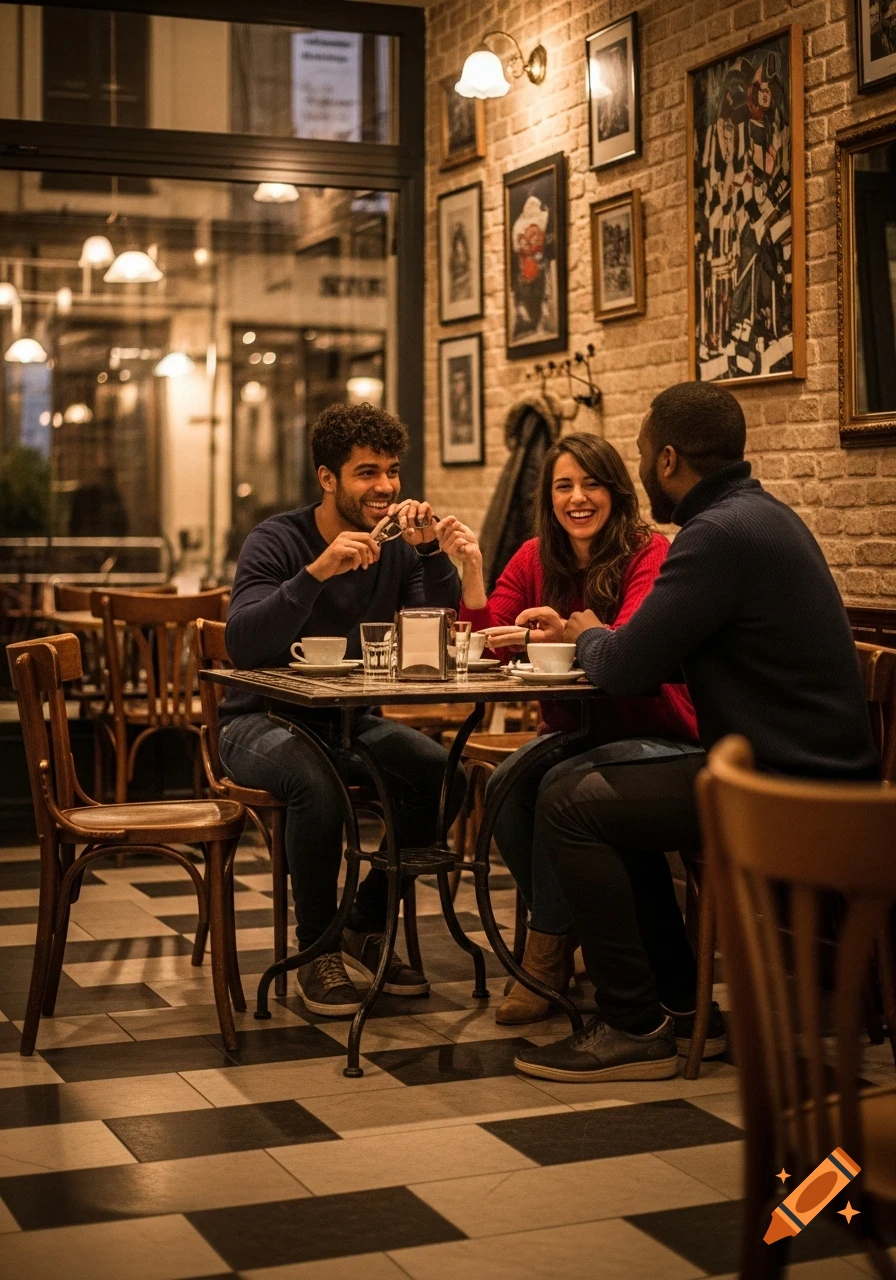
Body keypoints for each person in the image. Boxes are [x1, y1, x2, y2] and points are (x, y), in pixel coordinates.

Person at [505, 381, 877, 1084]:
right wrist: (611, 643)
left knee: (568, 798)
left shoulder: (717, 536)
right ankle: (677, 1009)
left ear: (669, 458)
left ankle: (633, 1025)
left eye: (645, 455)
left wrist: (588, 634)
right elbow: (661, 653)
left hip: (785, 786)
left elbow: (623, 666)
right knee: (587, 789)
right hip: (805, 768)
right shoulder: (756, 517)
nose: (644, 471)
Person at [439, 433, 701, 1025]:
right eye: (564, 486)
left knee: (555, 783)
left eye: (591, 484)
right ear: (549, 497)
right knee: (506, 783)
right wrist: (472, 571)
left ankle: (544, 960)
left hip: (655, 731)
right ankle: (558, 937)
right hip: (577, 734)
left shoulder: (647, 552)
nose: (577, 498)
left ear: (616, 490)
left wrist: (562, 634)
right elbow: (487, 646)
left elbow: (631, 648)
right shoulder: (535, 556)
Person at [219, 402, 464, 1016]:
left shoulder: (398, 548)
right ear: (327, 479)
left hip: (352, 720)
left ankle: (365, 916)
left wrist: (431, 552)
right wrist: (316, 573)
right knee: (316, 786)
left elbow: (430, 629)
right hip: (257, 720)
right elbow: (243, 641)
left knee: (443, 778)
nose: (385, 486)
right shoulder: (278, 540)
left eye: (392, 471)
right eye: (366, 473)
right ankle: (317, 948)